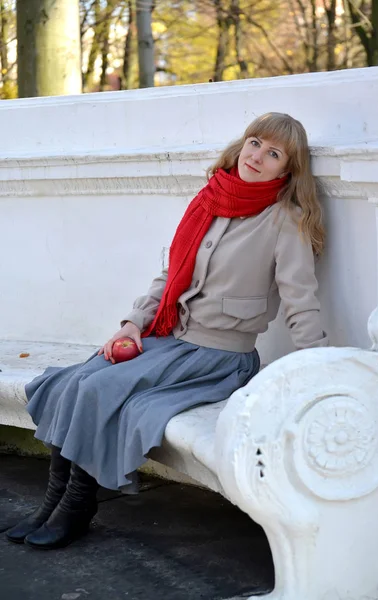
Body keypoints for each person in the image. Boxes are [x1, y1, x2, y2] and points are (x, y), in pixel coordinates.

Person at [5, 112, 328, 550]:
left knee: (99, 389)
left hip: (217, 358)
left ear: (286, 170)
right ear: (242, 144)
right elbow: (171, 275)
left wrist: (322, 373)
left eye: (274, 154)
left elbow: (300, 301)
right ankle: (53, 502)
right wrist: (133, 323)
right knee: (73, 381)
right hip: (169, 338)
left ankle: (78, 503)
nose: (258, 156)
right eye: (255, 143)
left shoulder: (283, 221)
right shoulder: (211, 200)